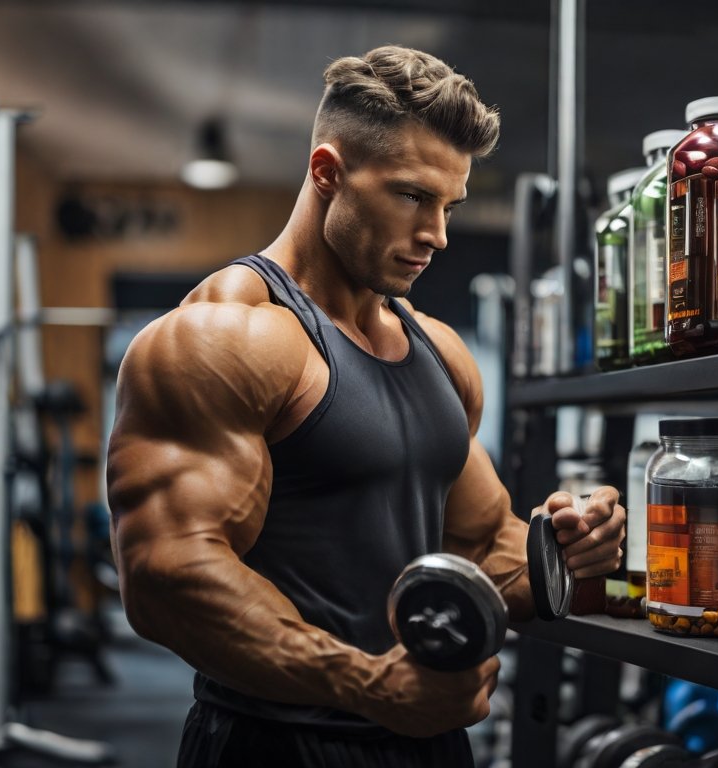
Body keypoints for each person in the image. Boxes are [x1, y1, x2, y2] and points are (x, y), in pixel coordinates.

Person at [106, 45, 626, 768]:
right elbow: (166, 573)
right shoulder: (227, 334)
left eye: (449, 205)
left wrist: (563, 552)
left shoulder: (439, 352)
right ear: (328, 173)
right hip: (277, 743)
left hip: (427, 737)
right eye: (413, 196)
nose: (437, 235)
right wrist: (363, 683)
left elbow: (478, 548)